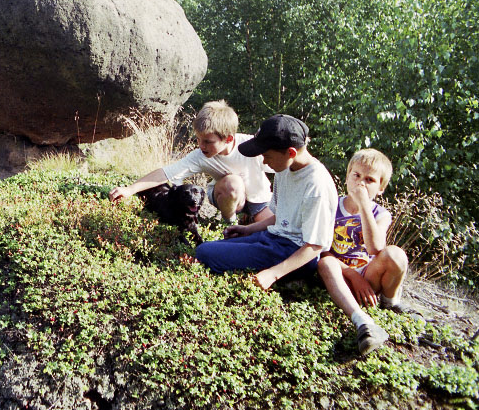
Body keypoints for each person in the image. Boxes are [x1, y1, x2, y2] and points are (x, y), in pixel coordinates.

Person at [194, 114, 338, 291]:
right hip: (273, 238)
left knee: (206, 254)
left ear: (291, 152)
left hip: (293, 253)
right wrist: (248, 230)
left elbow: (315, 246)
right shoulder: (285, 168)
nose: (264, 161)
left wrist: (273, 273)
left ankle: (290, 281)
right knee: (205, 249)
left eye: (267, 156)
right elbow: (280, 216)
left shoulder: (316, 184)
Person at [108, 100, 273, 225]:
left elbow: (284, 169)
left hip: (260, 200)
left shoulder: (253, 146)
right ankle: (229, 223)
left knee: (271, 229)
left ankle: (249, 221)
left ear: (228, 138)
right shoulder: (200, 155)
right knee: (233, 183)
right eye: (198, 139)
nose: (201, 146)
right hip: (227, 196)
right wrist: (130, 189)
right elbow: (165, 173)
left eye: (208, 141)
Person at [317, 148, 416, 356]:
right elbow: (323, 250)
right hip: (341, 277)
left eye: (370, 180)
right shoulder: (331, 205)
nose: (361, 183)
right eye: (357, 175)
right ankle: (360, 320)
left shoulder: (381, 213)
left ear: (381, 187)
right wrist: (352, 275)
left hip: (368, 278)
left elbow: (375, 249)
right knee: (326, 263)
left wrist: (363, 205)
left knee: (396, 254)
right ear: (347, 177)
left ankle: (390, 302)